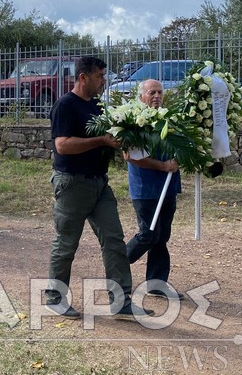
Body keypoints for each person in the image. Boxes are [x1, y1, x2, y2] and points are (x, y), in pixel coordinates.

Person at [45, 56, 152, 320]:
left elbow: (107, 137)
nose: (104, 81)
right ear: (83, 77)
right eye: (100, 76)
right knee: (67, 242)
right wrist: (100, 140)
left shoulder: (96, 105)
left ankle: (121, 301)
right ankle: (55, 298)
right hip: (72, 183)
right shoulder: (65, 106)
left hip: (98, 183)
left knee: (114, 240)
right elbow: (62, 145)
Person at [124, 79, 184, 300]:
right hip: (145, 189)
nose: (157, 96)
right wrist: (163, 166)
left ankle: (157, 284)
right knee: (149, 234)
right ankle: (117, 264)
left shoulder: (170, 118)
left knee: (162, 237)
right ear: (142, 96)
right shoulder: (133, 122)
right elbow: (130, 156)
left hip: (168, 186)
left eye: (160, 92)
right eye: (152, 92)